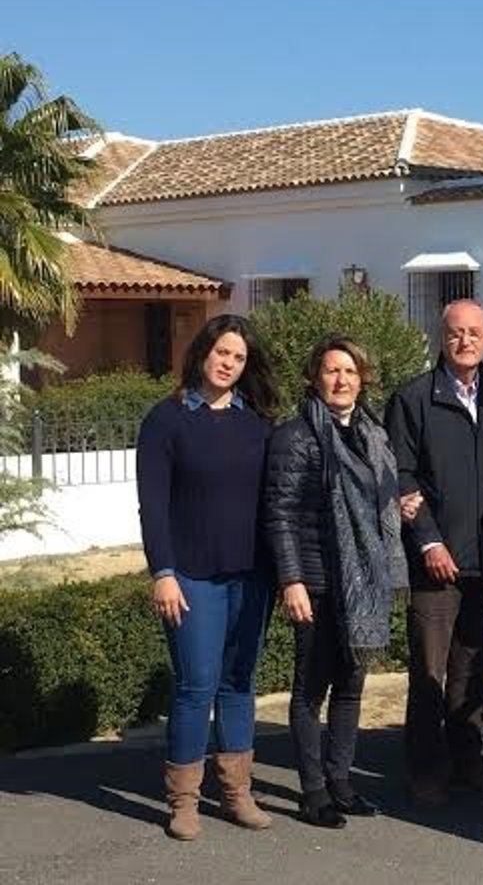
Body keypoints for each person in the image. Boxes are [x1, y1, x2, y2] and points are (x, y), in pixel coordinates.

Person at [137, 314, 280, 841]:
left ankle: (238, 792)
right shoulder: (166, 420)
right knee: (197, 686)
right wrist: (163, 573)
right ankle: (184, 799)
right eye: (222, 352)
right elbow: (152, 506)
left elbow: (275, 502)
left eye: (239, 357)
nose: (228, 363)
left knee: (239, 684)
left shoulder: (258, 423)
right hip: (191, 577)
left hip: (251, 576)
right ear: (201, 352)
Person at [262, 336, 409, 829]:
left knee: (351, 684)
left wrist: (398, 505)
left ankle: (341, 781)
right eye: (331, 371)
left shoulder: (371, 433)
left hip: (363, 582)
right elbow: (279, 514)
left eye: (350, 371)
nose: (341, 380)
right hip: (320, 580)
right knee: (311, 688)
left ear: (361, 378)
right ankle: (312, 791)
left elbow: (378, 499)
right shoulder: (297, 436)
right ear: (315, 377)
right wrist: (292, 580)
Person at [384, 300, 483, 808]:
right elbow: (401, 476)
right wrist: (430, 541)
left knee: (472, 671)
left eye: (474, 332)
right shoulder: (414, 399)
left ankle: (467, 758)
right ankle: (425, 768)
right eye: (456, 333)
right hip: (435, 567)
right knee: (429, 673)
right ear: (442, 338)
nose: (465, 341)